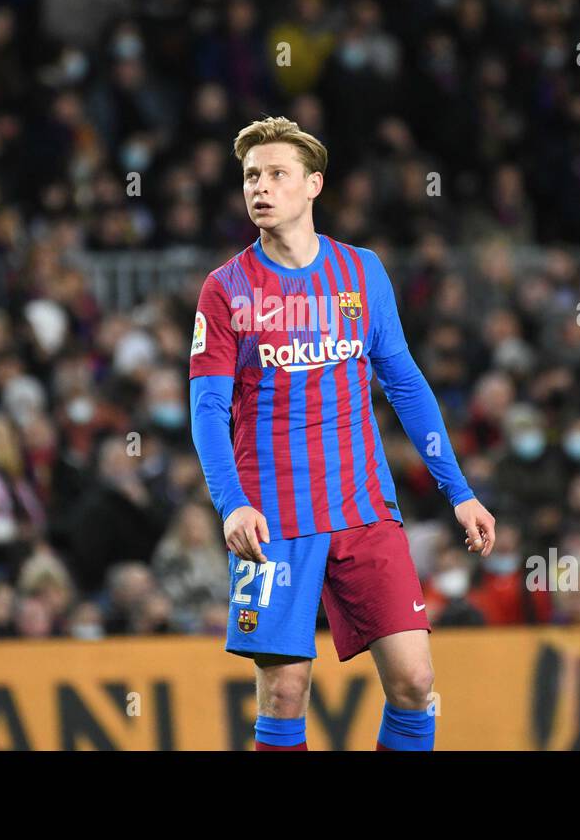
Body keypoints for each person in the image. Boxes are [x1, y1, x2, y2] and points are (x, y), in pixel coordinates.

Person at [189, 117, 495, 751]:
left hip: (363, 509)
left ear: (313, 185)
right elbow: (207, 409)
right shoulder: (225, 290)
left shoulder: (361, 273)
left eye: (277, 174)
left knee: (414, 681)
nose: (261, 188)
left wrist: (458, 490)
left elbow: (405, 385)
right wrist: (232, 503)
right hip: (272, 518)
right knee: (284, 693)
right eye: (251, 176)